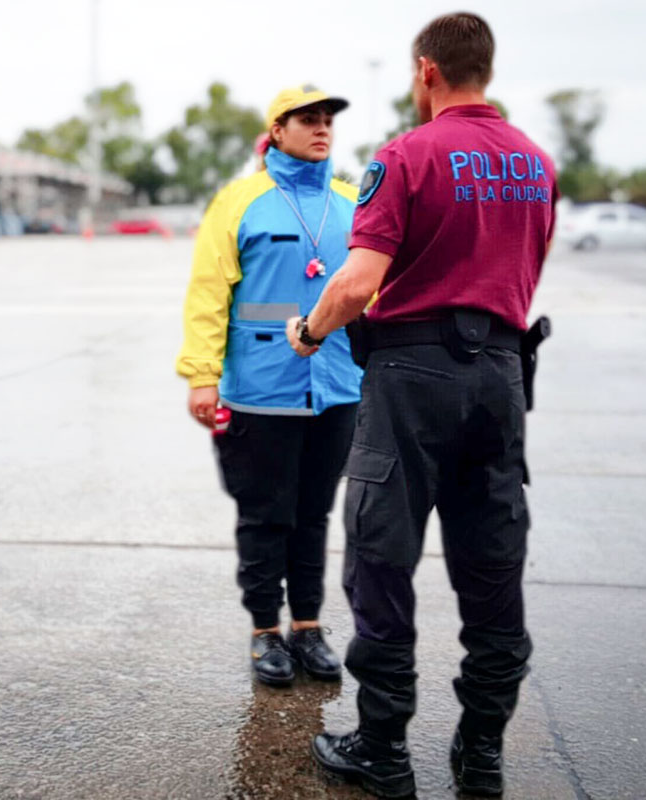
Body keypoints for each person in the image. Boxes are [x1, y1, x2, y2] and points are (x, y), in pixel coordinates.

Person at [283, 13, 557, 797]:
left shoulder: (407, 155)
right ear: (487, 71)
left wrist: (309, 331)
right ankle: (481, 752)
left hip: (412, 376)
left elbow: (359, 280)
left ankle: (382, 747)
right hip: (502, 378)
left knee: (380, 558)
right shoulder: (536, 163)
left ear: (426, 71)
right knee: (494, 561)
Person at [176, 85, 362, 688]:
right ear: (276, 130)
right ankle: (265, 632)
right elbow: (209, 296)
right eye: (308, 120)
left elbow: (375, 290)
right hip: (259, 389)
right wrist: (203, 376)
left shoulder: (352, 201)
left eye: (328, 120)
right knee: (264, 516)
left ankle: (307, 627)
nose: (322, 129)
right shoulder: (239, 201)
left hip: (336, 390)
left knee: (314, 515)